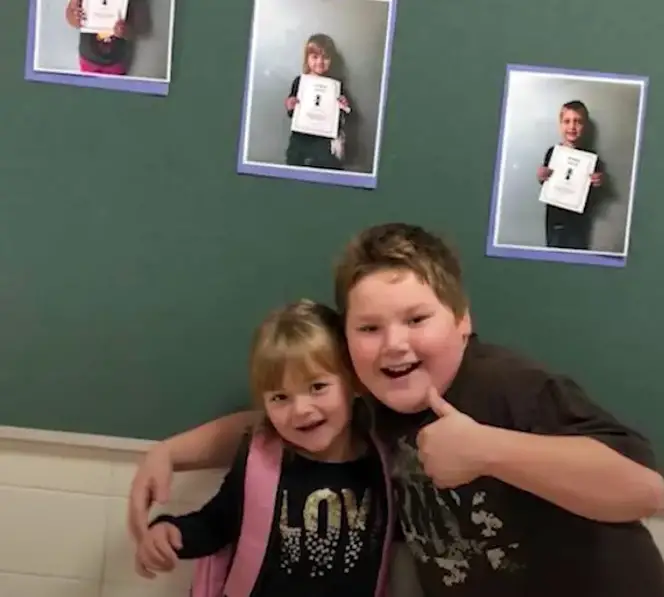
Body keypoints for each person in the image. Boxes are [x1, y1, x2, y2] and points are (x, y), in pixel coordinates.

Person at [129, 223, 664, 596]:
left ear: (461, 321)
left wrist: (489, 450)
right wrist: (170, 454)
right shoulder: (374, 403)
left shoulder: (509, 385)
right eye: (369, 328)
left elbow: (646, 488)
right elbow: (271, 424)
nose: (393, 345)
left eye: (416, 319)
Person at [135, 299, 393, 597]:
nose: (300, 410)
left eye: (317, 387)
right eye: (280, 397)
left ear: (354, 384)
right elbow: (217, 522)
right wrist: (171, 532)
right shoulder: (261, 461)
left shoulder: (382, 464)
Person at [536, 100, 605, 250]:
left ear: (584, 126)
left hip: (579, 221)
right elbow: (545, 181)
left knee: (576, 255)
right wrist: (541, 176)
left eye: (578, 122)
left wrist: (598, 182)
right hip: (555, 219)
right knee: (553, 255)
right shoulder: (552, 153)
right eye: (567, 121)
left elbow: (595, 191)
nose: (572, 127)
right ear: (560, 125)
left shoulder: (592, 158)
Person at [285, 34, 351, 170]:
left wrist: (344, 107)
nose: (320, 62)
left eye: (325, 57)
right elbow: (293, 113)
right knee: (295, 168)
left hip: (324, 142)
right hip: (301, 139)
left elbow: (342, 118)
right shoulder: (299, 82)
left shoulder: (336, 86)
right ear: (307, 59)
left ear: (331, 60)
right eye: (315, 57)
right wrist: (291, 105)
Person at [65, 0, 150, 76]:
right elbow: (70, 14)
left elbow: (137, 30)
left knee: (113, 92)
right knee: (89, 91)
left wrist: (125, 31)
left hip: (116, 62)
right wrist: (75, 17)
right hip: (88, 59)